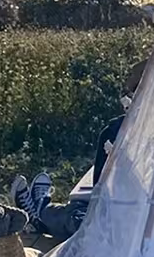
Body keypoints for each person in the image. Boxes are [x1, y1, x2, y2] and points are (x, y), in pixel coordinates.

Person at [11, 58, 146, 242]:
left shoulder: (120, 132)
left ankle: (40, 211)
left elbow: (102, 196)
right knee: (87, 207)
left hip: (136, 225)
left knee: (89, 218)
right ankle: (41, 212)